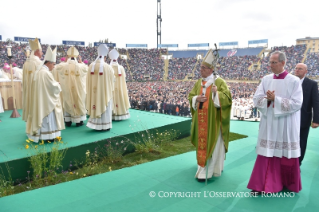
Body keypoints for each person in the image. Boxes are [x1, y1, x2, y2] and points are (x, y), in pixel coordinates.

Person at [247, 51, 303, 194]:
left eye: (274, 62)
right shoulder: (265, 79)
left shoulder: (294, 81)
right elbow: (256, 99)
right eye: (270, 62)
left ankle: (286, 183)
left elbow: (297, 103)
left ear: (283, 63)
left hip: (286, 124)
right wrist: (267, 99)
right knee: (266, 152)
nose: (270, 65)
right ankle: (260, 185)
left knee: (284, 152)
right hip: (269, 123)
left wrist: (275, 100)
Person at [188, 49, 232, 182]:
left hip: (214, 122)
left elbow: (227, 99)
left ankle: (210, 170)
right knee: (202, 144)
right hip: (201, 120)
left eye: (203, 67)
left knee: (213, 145)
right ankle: (201, 166)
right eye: (200, 67)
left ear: (211, 69)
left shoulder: (219, 82)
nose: (200, 70)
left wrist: (215, 94)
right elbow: (191, 96)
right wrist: (196, 99)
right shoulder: (198, 82)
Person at [26, 46, 65, 143]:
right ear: (49, 63)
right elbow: (52, 87)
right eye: (54, 64)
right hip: (46, 101)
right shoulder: (46, 73)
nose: (54, 66)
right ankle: (49, 136)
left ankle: (44, 135)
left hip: (40, 99)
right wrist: (58, 85)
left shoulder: (39, 71)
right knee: (49, 118)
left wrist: (54, 84)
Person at [52, 46, 88, 127]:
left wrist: (64, 62)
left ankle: (68, 120)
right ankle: (79, 121)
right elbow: (86, 69)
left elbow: (55, 68)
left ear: (67, 57)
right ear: (76, 57)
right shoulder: (81, 66)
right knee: (78, 101)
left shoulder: (63, 66)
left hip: (67, 89)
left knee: (68, 101)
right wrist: (81, 62)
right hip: (78, 90)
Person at [294, 63, 319, 166]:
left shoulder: (312, 84)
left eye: (300, 69)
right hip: (289, 117)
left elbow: (316, 102)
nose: (297, 70)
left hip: (304, 118)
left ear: (306, 71)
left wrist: (316, 120)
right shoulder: (290, 81)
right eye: (296, 68)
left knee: (302, 142)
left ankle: (298, 163)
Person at [86, 44, 114, 130]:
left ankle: (95, 124)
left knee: (95, 103)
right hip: (103, 93)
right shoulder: (108, 67)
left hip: (94, 93)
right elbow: (113, 80)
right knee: (105, 104)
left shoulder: (91, 66)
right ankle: (105, 125)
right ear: (105, 57)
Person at [22, 38, 43, 122]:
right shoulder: (38, 62)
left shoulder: (26, 62)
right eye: (41, 51)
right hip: (36, 89)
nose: (42, 53)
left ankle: (30, 123)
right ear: (37, 52)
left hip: (28, 89)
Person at [108, 49, 130, 120]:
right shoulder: (121, 68)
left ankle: (111, 114)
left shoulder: (108, 67)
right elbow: (124, 79)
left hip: (110, 89)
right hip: (120, 88)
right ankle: (121, 113)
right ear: (117, 58)